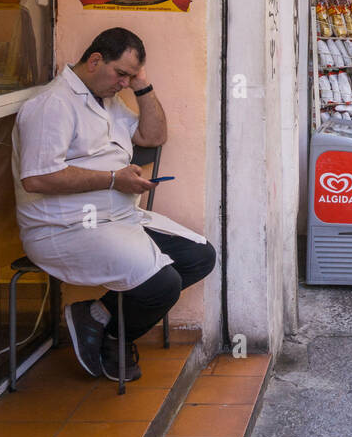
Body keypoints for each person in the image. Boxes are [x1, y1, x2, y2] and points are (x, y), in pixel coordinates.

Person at [12, 28, 216, 383]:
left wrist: (142, 86)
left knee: (200, 256)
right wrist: (112, 179)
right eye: (120, 74)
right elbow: (37, 179)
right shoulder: (52, 105)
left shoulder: (106, 99)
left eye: (129, 76)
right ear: (94, 61)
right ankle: (113, 339)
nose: (123, 82)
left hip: (118, 218)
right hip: (64, 227)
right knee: (162, 284)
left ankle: (97, 316)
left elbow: (153, 137)